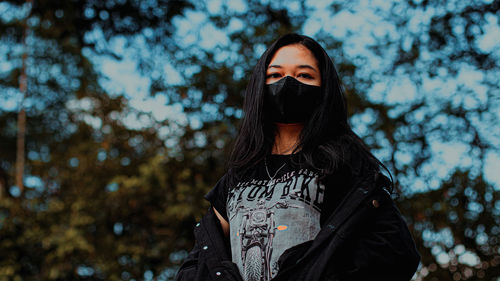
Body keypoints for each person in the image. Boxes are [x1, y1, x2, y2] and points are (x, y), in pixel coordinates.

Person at [175, 33, 420, 281]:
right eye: (275, 75)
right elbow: (204, 257)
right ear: (260, 84)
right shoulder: (236, 177)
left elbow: (395, 252)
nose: (288, 83)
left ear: (324, 88)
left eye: (304, 75)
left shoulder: (345, 164)